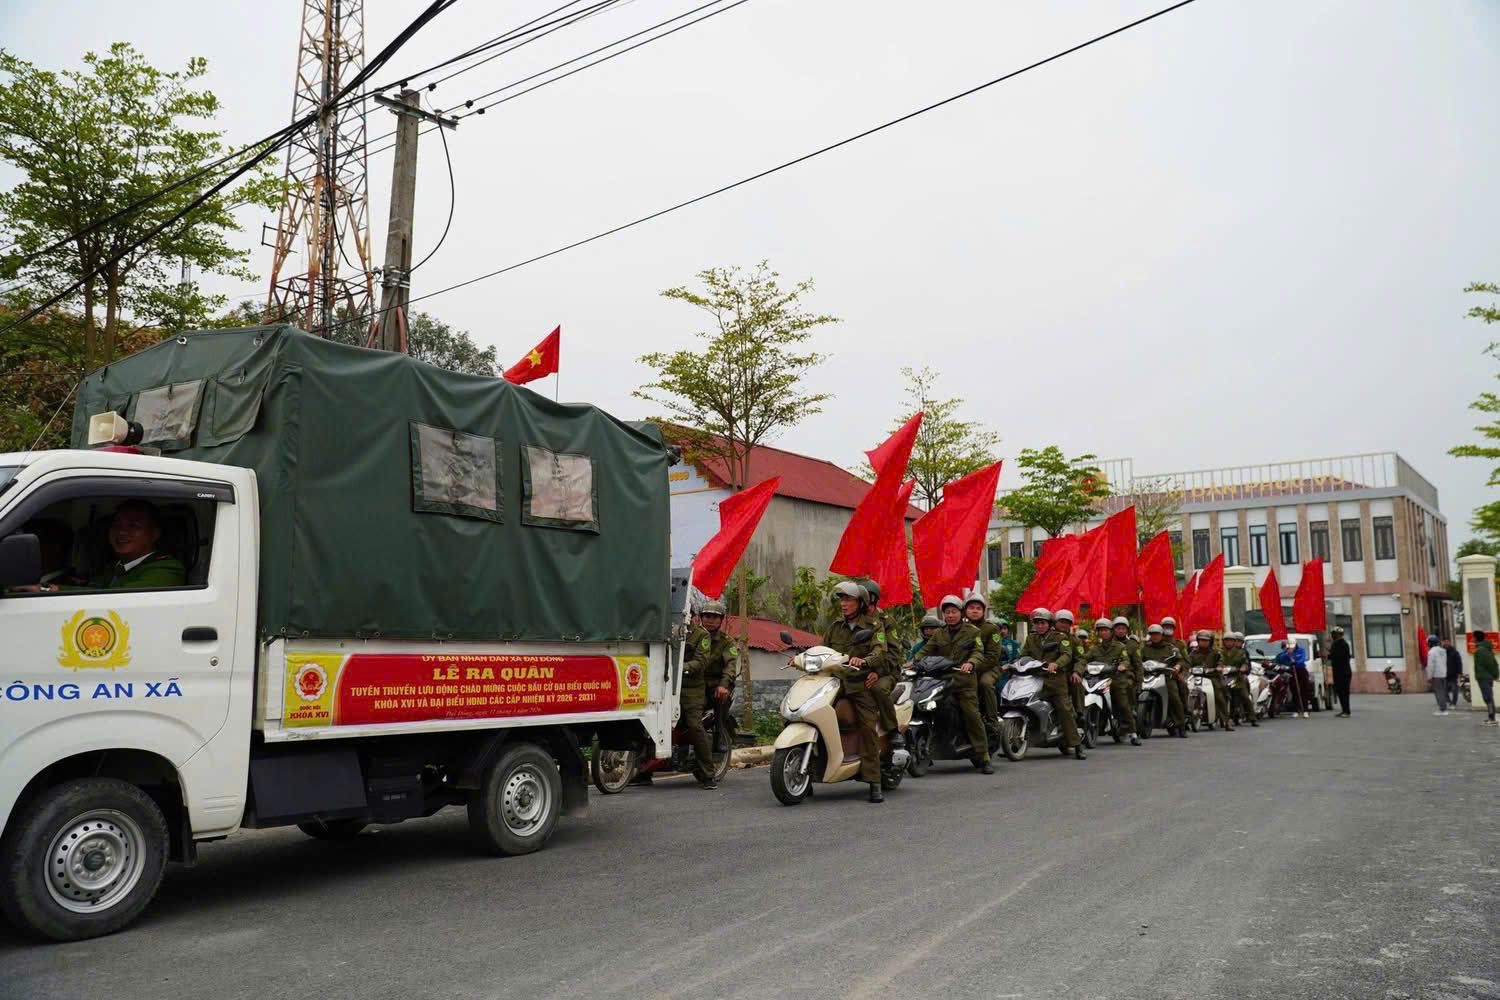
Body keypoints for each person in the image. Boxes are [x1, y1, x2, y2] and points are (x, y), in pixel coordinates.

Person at [822, 580, 892, 802]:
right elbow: (822, 650)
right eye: (842, 599)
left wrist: (865, 661)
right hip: (834, 682)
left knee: (867, 727)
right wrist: (803, 658)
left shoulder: (874, 626)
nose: (844, 604)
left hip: (859, 684)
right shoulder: (835, 627)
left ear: (860, 603)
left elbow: (880, 651)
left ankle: (874, 781)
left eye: (849, 599)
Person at [927, 594, 992, 773]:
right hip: (942, 682)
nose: (950, 615)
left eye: (953, 612)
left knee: (972, 714)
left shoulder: (972, 631)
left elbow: (979, 651)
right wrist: (911, 662)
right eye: (947, 612)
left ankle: (983, 755)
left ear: (960, 613)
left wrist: (971, 663)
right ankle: (925, 750)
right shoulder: (939, 633)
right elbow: (926, 651)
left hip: (964, 683)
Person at [680, 599, 738, 789]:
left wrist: (723, 685)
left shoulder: (726, 641)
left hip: (715, 685)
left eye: (714, 617)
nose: (710, 620)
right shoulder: (685, 634)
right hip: (693, 684)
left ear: (721, 620)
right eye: (707, 616)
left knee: (698, 723)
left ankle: (710, 767)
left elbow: (730, 666)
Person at [1020, 607, 1085, 759]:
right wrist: (1014, 664)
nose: (1040, 626)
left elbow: (1067, 655)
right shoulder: (1031, 638)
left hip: (1055, 680)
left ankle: (1076, 745)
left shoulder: (1060, 638)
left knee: (1064, 709)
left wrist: (1056, 664)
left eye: (1043, 623)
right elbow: (1023, 655)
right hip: (1035, 678)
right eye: (1037, 623)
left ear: (1049, 624)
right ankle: (1013, 739)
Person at [859, 578, 904, 752]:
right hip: (858, 669)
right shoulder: (854, 618)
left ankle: (893, 731)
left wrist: (878, 672)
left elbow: (893, 654)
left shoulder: (886, 620)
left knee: (878, 689)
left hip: (887, 671)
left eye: (866, 598)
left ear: (873, 599)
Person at [1090, 617, 1141, 746]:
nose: (1103, 633)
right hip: (1099, 679)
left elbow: (1126, 659)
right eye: (1100, 631)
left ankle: (1133, 733)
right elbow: (1084, 659)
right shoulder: (1095, 648)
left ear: (1110, 632)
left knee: (1123, 704)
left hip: (1117, 679)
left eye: (1106, 630)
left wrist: (1123, 665)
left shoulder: (1120, 647)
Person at [964, 591, 1005, 737]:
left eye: (978, 608)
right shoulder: (961, 628)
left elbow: (993, 656)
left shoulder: (991, 628)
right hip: (964, 668)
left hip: (989, 668)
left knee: (985, 683)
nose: (974, 611)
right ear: (965, 610)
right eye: (971, 608)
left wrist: (975, 667)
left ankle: (992, 719)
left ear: (983, 611)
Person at [1144, 623, 1187, 737]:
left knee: (1174, 697)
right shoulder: (1144, 648)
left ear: (1162, 635)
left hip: (1166, 677)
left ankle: (1181, 725)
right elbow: (1138, 661)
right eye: (1152, 634)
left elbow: (1181, 660)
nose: (1155, 637)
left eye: (1157, 634)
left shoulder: (1170, 648)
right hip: (1148, 677)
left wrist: (1177, 667)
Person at [1188, 630, 1232, 731]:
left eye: (1206, 640)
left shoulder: (1216, 652)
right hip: (1196, 676)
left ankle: (1227, 721)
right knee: (1186, 690)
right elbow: (1188, 662)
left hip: (1212, 677)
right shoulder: (1193, 652)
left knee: (1219, 695)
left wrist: (1219, 667)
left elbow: (1221, 661)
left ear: (1210, 641)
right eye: (1201, 640)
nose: (1203, 642)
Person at [1111, 615, 1145, 744]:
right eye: (1118, 628)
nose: (1120, 631)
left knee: (1124, 700)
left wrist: (1139, 681)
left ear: (1127, 630)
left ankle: (1132, 731)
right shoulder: (1109, 642)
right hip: (1108, 676)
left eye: (1123, 628)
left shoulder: (1132, 645)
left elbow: (1138, 665)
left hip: (1127, 676)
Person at [1161, 616, 1193, 730]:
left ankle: (1185, 709)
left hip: (1175, 672)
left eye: (1170, 627)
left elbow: (1186, 660)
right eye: (1165, 627)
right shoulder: (1156, 642)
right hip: (1158, 673)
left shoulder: (1180, 644)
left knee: (1182, 687)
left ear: (1174, 629)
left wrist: (1179, 668)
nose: (1167, 629)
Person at [1221, 631, 1259, 727]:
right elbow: (1217, 662)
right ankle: (1222, 718)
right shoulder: (1220, 652)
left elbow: (1245, 663)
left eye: (1231, 640)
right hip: (1224, 678)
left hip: (1237, 678)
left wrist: (1243, 668)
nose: (1229, 643)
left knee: (1245, 696)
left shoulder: (1241, 652)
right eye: (1227, 640)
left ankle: (1252, 718)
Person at [1276, 639, 1311, 718]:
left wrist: (1296, 662)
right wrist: (1287, 653)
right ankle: (1296, 710)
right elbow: (1281, 658)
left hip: (1301, 671)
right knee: (1294, 690)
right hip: (1292, 671)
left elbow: (1302, 659)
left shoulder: (1301, 650)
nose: (1291, 648)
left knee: (1303, 690)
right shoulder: (1287, 652)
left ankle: (1305, 710)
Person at [1471, 630, 1497, 726]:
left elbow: (1490, 664)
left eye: (1473, 637)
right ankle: (1491, 716)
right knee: (1487, 697)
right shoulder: (1482, 648)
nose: (1471, 639)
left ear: (1476, 638)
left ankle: (1492, 718)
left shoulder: (1481, 650)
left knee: (1488, 697)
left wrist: (1495, 675)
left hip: (1484, 677)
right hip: (1484, 677)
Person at [1328, 626, 1353, 717]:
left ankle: (1347, 711)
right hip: (1338, 671)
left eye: (1334, 634)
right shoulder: (1335, 644)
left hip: (1343, 672)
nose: (1332, 636)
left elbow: (1338, 657)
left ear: (1338, 634)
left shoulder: (1342, 644)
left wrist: (1330, 655)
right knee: (1339, 691)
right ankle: (1344, 710)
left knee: (1344, 692)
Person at [1425, 634, 1449, 716]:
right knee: (1442, 692)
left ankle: (1443, 709)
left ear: (1430, 643)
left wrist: (1429, 677)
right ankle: (1444, 708)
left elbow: (1430, 665)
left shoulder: (1431, 652)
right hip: (1443, 674)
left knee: (1439, 693)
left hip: (1436, 675)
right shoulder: (1443, 651)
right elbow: (1445, 662)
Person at [1443, 638, 1463, 711]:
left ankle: (1453, 703)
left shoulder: (1455, 652)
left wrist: (1460, 673)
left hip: (1454, 674)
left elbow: (1459, 663)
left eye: (1447, 642)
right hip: (1444, 674)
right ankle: (1449, 702)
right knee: (1444, 690)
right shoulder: (1442, 652)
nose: (1446, 643)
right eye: (1444, 642)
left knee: (1455, 690)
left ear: (1450, 643)